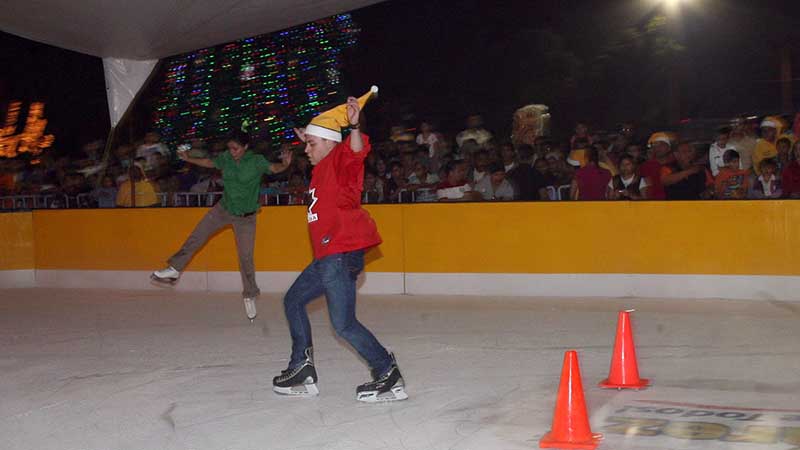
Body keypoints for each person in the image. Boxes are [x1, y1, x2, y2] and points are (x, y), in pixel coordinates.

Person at [272, 87, 407, 403]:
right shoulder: (322, 169)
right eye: (306, 144)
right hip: (328, 257)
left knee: (343, 325)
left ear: (331, 144)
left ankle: (387, 373)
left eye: (311, 144)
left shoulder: (339, 161)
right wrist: (310, 135)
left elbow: (356, 152)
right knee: (293, 301)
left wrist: (355, 127)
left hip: (340, 252)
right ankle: (301, 369)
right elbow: (324, 142)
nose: (307, 150)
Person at [150, 130, 292, 322]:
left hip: (246, 217)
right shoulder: (226, 158)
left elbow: (274, 169)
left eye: (236, 148)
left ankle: (249, 293)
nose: (232, 152)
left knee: (246, 258)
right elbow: (210, 162)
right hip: (223, 209)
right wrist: (188, 158)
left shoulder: (256, 161)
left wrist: (285, 164)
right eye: (230, 148)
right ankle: (175, 268)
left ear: (246, 147)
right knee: (197, 236)